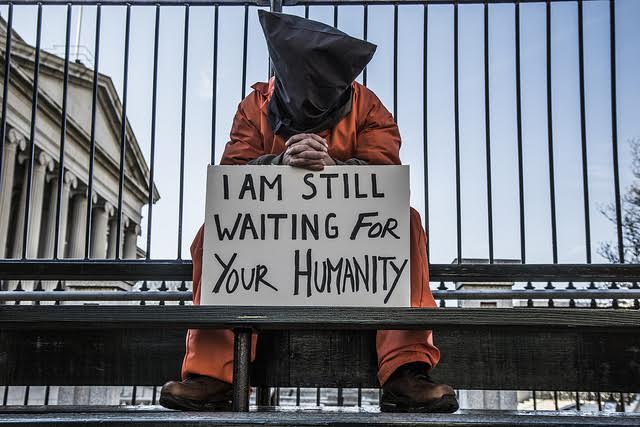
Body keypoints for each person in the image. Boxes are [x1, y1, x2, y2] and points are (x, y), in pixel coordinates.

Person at [159, 10, 458, 413]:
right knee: (213, 232)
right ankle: (215, 376)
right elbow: (232, 176)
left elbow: (385, 176)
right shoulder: (255, 105)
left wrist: (333, 169)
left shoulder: (369, 107)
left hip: (348, 251)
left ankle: (406, 372)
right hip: (270, 254)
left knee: (406, 223)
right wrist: (280, 163)